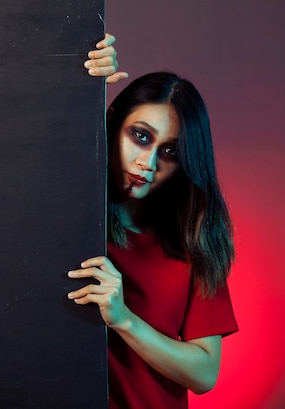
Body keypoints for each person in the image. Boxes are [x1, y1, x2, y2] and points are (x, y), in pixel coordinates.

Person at [68, 35, 239, 409]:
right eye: (140, 136)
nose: (148, 162)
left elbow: (205, 373)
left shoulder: (194, 239)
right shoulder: (65, 211)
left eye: (170, 151)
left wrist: (123, 318)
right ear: (113, 124)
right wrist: (79, 86)